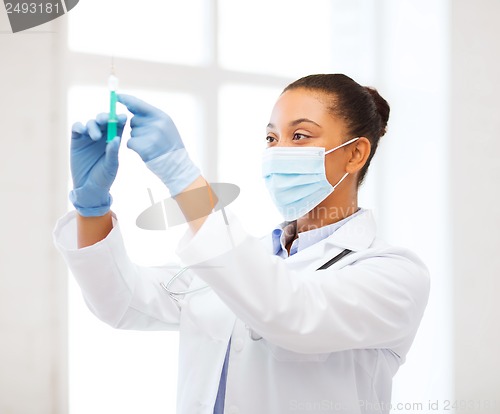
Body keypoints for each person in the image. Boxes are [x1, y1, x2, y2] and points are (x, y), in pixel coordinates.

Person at [53, 74, 430, 414]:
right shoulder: (242, 259)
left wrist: (182, 177)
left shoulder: (393, 274)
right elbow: (122, 302)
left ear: (355, 153)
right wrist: (92, 207)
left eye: (299, 136)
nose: (278, 151)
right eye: (271, 137)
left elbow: (288, 312)